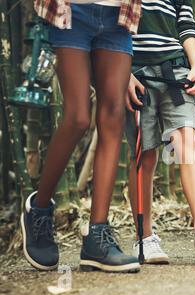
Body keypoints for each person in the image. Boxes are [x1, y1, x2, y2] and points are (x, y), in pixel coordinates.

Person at [21, 0, 142, 273]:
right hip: (71, 12)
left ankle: (97, 235)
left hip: (118, 16)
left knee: (113, 117)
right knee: (78, 117)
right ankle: (38, 210)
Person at [125, 0, 195, 264]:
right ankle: (145, 237)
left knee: (188, 139)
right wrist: (121, 73)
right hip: (135, 72)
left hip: (176, 70)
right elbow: (112, 26)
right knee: (145, 153)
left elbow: (186, 25)